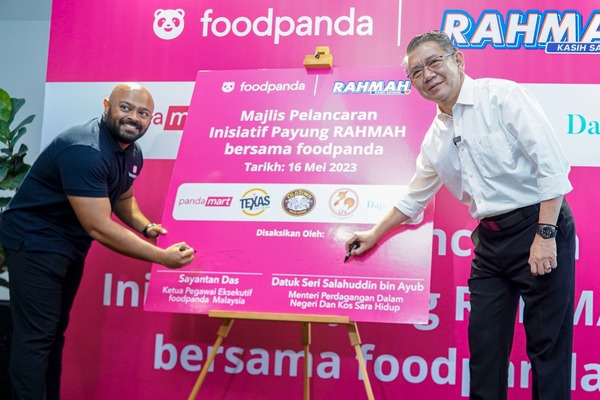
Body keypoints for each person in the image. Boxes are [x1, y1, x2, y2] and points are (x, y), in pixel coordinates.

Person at [346, 31, 576, 400]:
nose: (428, 75)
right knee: (484, 352)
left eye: (434, 62)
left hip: (539, 227)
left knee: (547, 350)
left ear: (458, 61)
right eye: (416, 72)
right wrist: (373, 234)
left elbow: (551, 169)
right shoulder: (435, 138)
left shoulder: (502, 97)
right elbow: (412, 198)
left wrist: (545, 235)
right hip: (491, 242)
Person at [0, 83, 196, 400]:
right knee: (36, 337)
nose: (133, 117)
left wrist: (147, 228)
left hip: (66, 244)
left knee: (52, 334)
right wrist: (160, 258)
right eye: (125, 107)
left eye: (143, 113)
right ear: (107, 105)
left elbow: (123, 197)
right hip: (34, 242)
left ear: (151, 118)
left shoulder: (130, 151)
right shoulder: (85, 150)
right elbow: (99, 226)